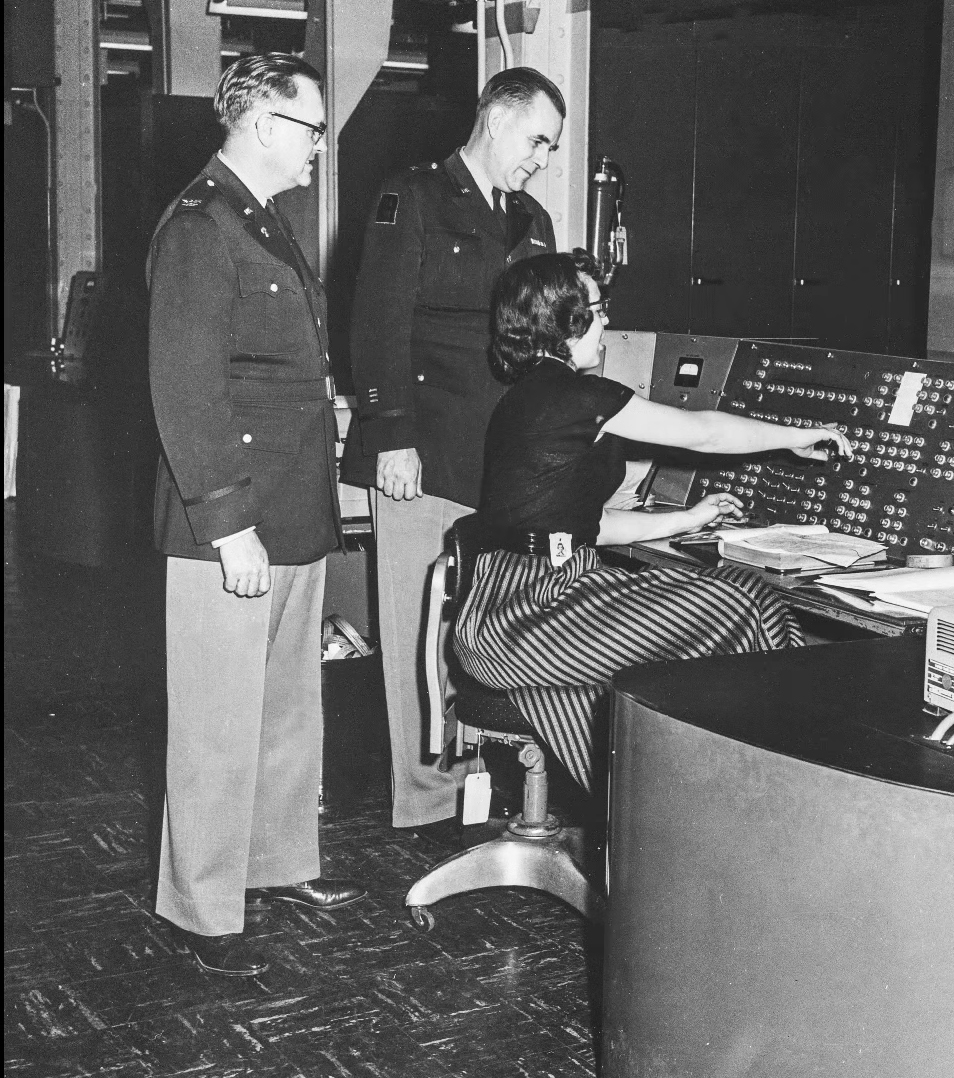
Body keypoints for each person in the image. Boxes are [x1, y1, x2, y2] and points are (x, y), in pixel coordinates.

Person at [452, 252, 854, 791]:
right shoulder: (578, 397)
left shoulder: (526, 398)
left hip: (520, 604)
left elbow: (587, 527)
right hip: (528, 617)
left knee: (739, 600)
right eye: (597, 310)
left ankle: (732, 782)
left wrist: (688, 518)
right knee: (741, 603)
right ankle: (783, 778)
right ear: (564, 320)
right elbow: (705, 432)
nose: (606, 322)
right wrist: (796, 437)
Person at [148, 53, 365, 977]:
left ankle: (274, 866)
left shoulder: (261, 219)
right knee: (215, 723)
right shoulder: (202, 225)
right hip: (231, 524)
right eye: (312, 129)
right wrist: (228, 524)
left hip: (291, 507)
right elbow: (185, 388)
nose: (320, 146)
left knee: (284, 709)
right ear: (265, 125)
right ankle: (200, 909)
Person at [343, 67, 564, 837]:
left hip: (500, 460)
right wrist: (390, 436)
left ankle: (472, 787)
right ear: (497, 120)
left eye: (551, 147)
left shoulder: (531, 219)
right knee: (421, 628)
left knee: (477, 628)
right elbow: (376, 323)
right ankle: (426, 799)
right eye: (537, 140)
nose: (541, 158)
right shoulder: (413, 196)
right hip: (425, 452)